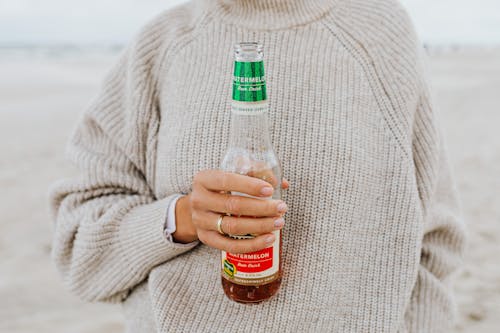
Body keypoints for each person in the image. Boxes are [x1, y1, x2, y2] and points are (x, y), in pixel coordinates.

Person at [49, 0, 466, 332]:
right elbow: (77, 248)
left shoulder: (380, 32)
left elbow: (434, 246)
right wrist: (183, 218)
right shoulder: (162, 45)